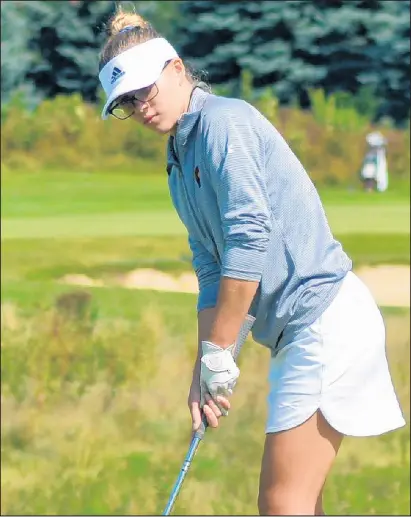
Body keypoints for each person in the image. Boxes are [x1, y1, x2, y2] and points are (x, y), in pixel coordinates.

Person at [98, 7, 405, 515]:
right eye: (127, 102)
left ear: (176, 69)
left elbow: (249, 239)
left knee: (282, 503)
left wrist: (223, 350)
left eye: (144, 90)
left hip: (323, 317)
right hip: (296, 331)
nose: (141, 107)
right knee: (300, 503)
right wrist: (206, 363)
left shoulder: (224, 123)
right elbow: (211, 268)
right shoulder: (179, 159)